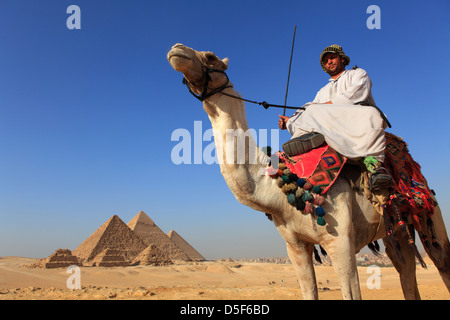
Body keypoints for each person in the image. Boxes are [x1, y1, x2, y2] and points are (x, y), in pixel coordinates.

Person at [278, 44, 392, 190]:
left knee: (372, 114)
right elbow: (309, 108)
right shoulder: (323, 91)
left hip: (355, 119)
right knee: (308, 110)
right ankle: (306, 139)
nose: (329, 62)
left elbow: (357, 94)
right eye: (326, 61)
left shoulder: (357, 74)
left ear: (342, 59)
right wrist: (289, 121)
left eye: (332, 58)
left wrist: (326, 106)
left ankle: (375, 166)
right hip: (331, 125)